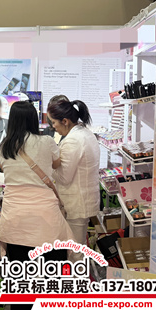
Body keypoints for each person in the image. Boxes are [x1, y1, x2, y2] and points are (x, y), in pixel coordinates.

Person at [0, 102, 78, 310]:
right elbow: (56, 164)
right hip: (46, 218)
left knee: (19, 273)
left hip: (15, 217)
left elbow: (3, 168)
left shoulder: (4, 146)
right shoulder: (47, 141)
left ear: (12, 120)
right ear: (34, 119)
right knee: (53, 271)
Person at [47, 100, 100, 251]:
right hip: (83, 200)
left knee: (74, 251)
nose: (53, 127)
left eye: (54, 122)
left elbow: (64, 177)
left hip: (76, 203)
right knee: (78, 247)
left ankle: (77, 268)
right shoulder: (85, 134)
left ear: (65, 121)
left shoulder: (73, 141)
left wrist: (48, 165)